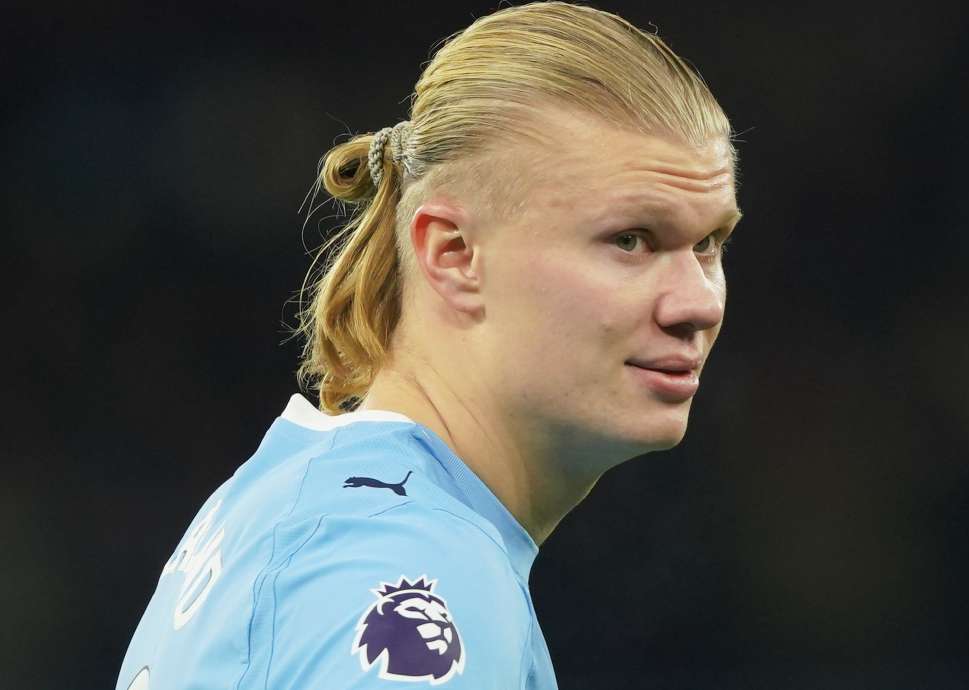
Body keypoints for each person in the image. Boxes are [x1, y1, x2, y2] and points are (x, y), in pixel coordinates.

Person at [115, 2, 741, 688]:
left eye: (709, 244)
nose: (699, 304)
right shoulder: (408, 572)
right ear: (454, 255)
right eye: (630, 240)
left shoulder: (294, 507)